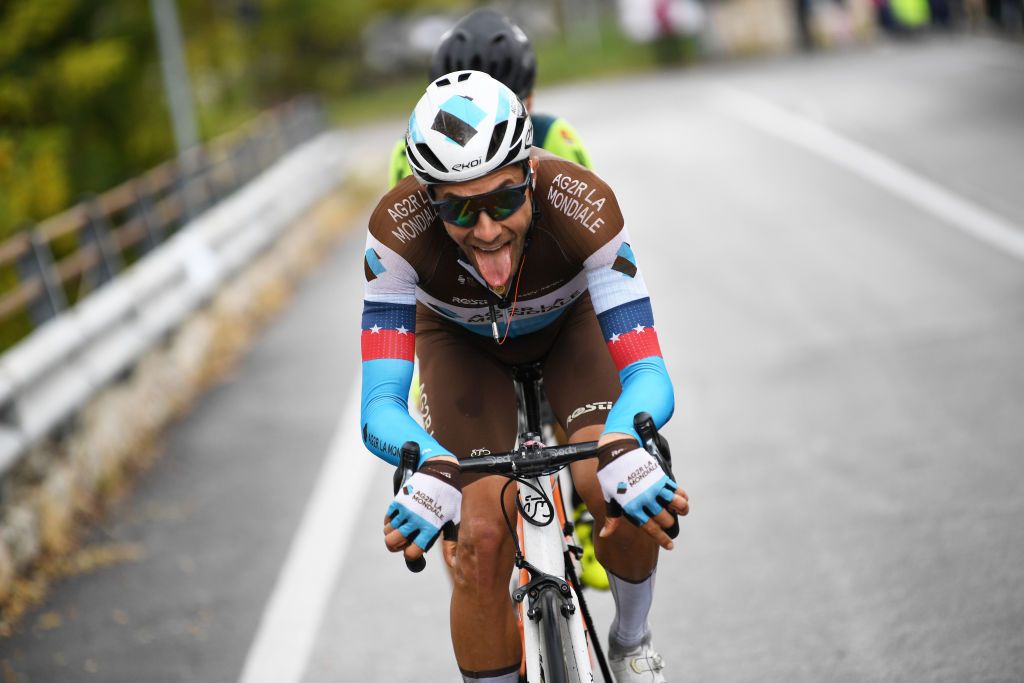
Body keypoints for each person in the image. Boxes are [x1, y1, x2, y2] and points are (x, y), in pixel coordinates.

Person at [360, 72, 689, 683]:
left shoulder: (585, 205)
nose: (486, 230)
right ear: (428, 199)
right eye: (458, 209)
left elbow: (647, 371)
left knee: (614, 487)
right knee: (480, 542)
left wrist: (623, 441)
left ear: (530, 175)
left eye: (504, 201)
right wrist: (429, 463)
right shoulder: (395, 234)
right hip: (460, 346)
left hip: (572, 329)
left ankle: (631, 639)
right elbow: (379, 402)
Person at [387, 7, 610, 592]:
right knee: (470, 517)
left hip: (552, 309)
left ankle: (583, 505)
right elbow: (402, 269)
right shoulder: (552, 129)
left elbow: (590, 249)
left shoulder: (557, 144)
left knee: (586, 425)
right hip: (459, 322)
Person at [387, 8, 593, 190]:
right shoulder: (551, 134)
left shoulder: (551, 134)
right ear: (530, 98)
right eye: (460, 115)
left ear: (529, 101)